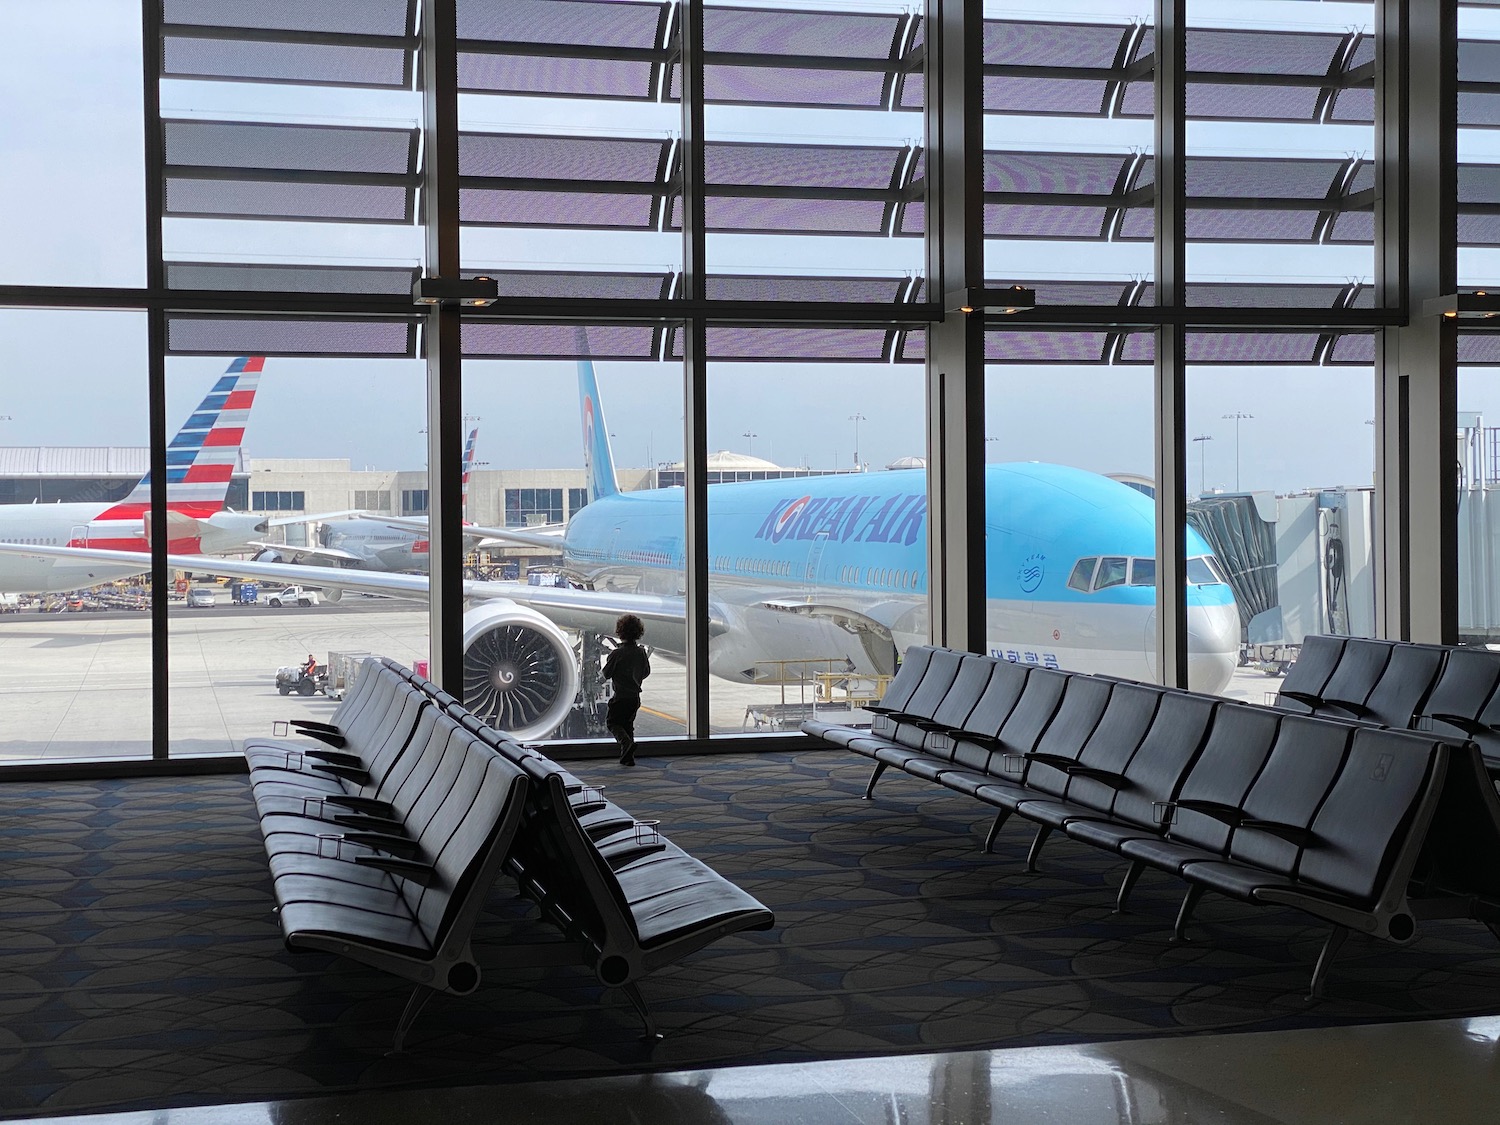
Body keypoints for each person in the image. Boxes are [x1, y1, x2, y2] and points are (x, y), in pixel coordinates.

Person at [602, 614, 651, 766]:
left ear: (619, 632)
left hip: (621, 697)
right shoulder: (641, 652)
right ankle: (628, 757)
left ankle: (626, 743)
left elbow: (606, 673)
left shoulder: (617, 654)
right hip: (635, 697)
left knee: (613, 723)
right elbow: (646, 672)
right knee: (628, 725)